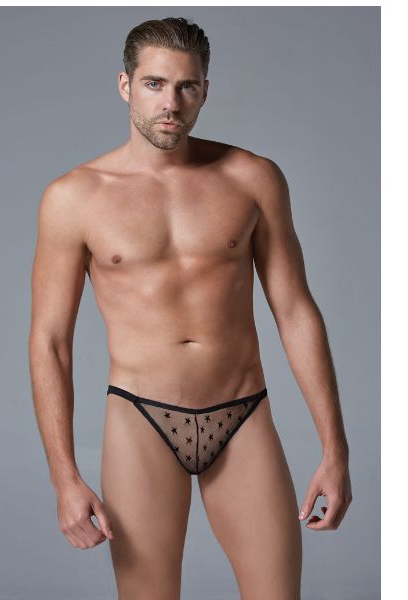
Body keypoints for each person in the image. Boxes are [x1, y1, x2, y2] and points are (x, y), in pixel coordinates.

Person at [28, 16, 352, 600]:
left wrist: (335, 450)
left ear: (205, 90)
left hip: (242, 411)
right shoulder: (73, 198)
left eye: (187, 86)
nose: (170, 103)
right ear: (125, 85)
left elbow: (295, 311)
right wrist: (64, 477)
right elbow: (50, 341)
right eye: (154, 84)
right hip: (141, 418)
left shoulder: (253, 178)